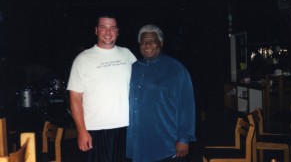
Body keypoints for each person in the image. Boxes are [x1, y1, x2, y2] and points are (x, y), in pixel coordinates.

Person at [67, 14, 137, 162]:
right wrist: (81, 131)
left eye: (112, 28)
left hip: (127, 128)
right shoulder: (83, 59)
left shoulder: (127, 54)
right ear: (96, 31)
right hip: (96, 130)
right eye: (103, 27)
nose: (108, 32)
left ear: (118, 32)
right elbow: (75, 98)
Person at [126, 24, 196, 162]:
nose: (147, 45)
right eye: (143, 41)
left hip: (165, 144)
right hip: (137, 144)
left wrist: (184, 138)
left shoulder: (176, 70)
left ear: (161, 43)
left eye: (152, 41)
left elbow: (187, 107)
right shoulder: (133, 68)